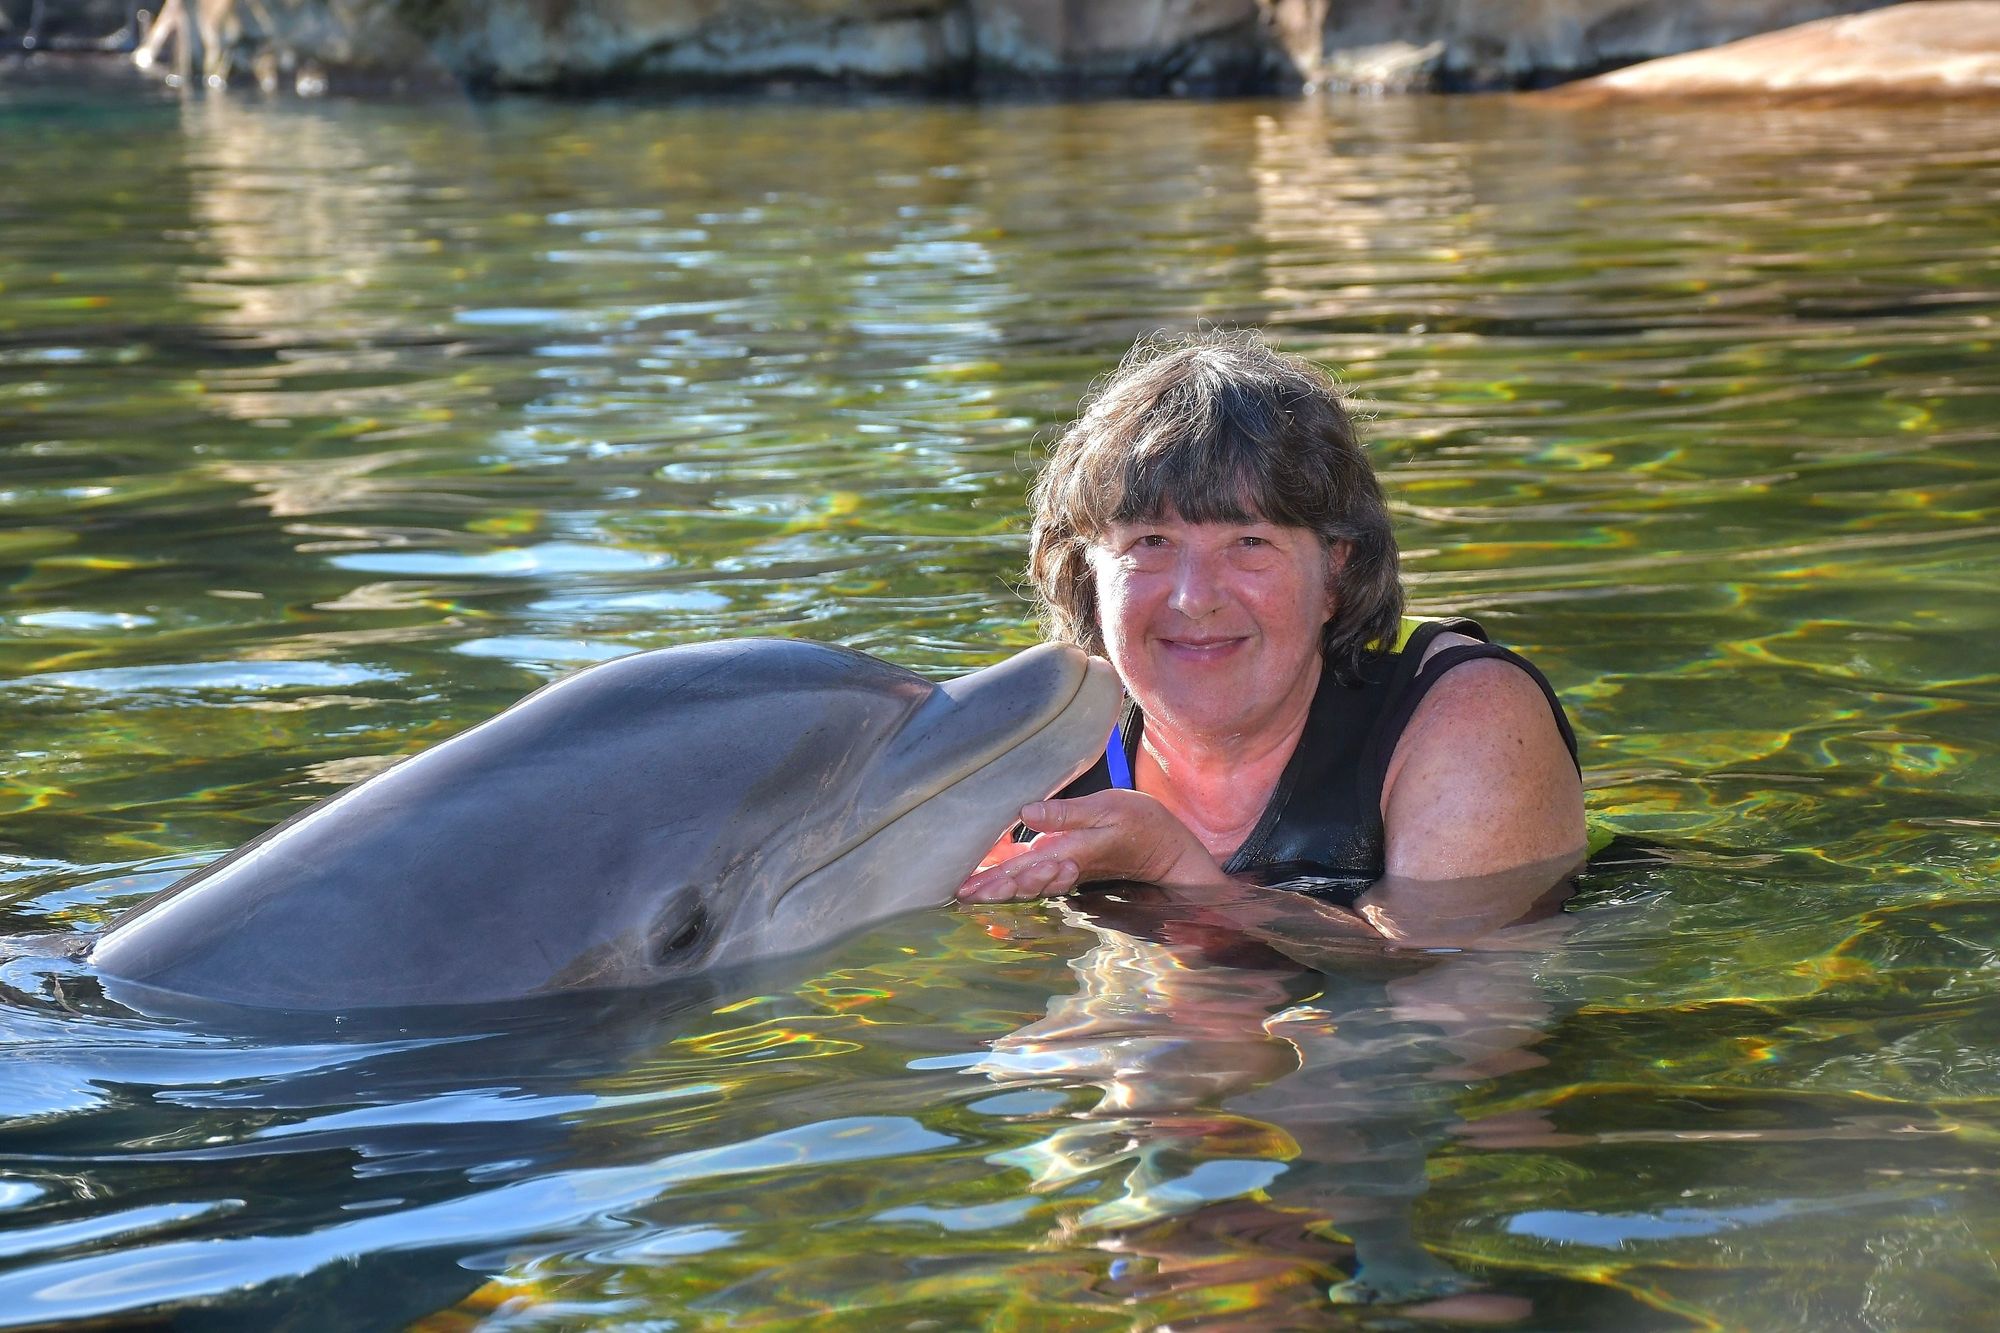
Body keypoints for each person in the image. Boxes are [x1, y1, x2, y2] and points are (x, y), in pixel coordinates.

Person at [956, 330, 1585, 907]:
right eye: (1151, 542)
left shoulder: (1464, 712)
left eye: (1250, 542)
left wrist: (1173, 871)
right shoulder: (1034, 751)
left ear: (1336, 570)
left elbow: (1452, 988)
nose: (1193, 598)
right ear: (1085, 573)